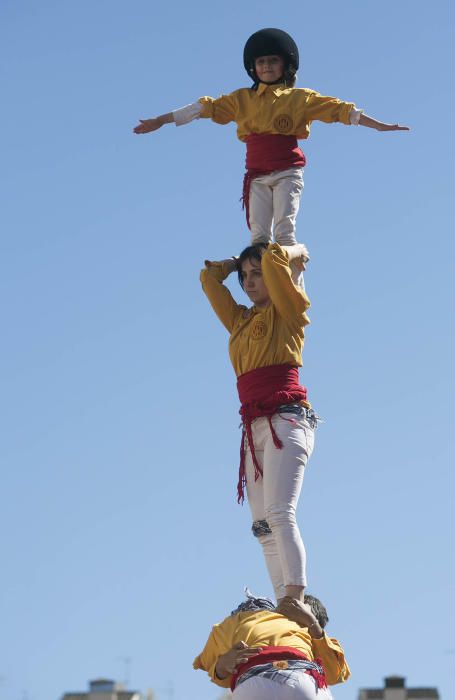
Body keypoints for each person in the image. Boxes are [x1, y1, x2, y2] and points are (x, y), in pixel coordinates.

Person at [134, 27, 409, 248]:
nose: (266, 66)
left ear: (285, 65)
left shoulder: (300, 99)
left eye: (273, 60)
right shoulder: (242, 99)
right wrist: (160, 120)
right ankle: (266, 292)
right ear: (253, 67)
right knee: (258, 239)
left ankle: (295, 281)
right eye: (261, 61)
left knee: (285, 233)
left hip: (287, 172)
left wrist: (379, 126)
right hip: (256, 175)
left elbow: (341, 110)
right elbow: (202, 108)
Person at [200, 241, 314, 604]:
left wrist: (297, 250)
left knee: (280, 512)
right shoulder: (240, 321)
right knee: (261, 526)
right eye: (244, 277)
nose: (248, 282)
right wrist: (235, 262)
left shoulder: (288, 308)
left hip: (286, 420)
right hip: (254, 427)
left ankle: (294, 595)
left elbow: (280, 259)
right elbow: (208, 279)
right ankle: (283, 601)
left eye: (256, 274)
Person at [193, 590, 350, 699]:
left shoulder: (238, 623)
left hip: (253, 686)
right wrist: (222, 665)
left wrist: (220, 667)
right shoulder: (310, 638)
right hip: (298, 684)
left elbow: (334, 674)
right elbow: (335, 674)